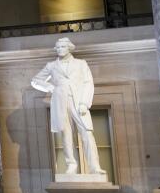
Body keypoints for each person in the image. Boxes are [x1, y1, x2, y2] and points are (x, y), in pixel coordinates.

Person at [30, 37, 106, 176]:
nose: (59, 49)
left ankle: (94, 166)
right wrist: (51, 87)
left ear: (69, 48)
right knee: (66, 134)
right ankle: (71, 165)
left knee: (87, 133)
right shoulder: (51, 65)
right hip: (60, 102)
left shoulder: (81, 64)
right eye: (57, 47)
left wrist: (84, 102)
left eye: (62, 47)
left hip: (78, 102)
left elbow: (88, 83)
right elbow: (35, 80)